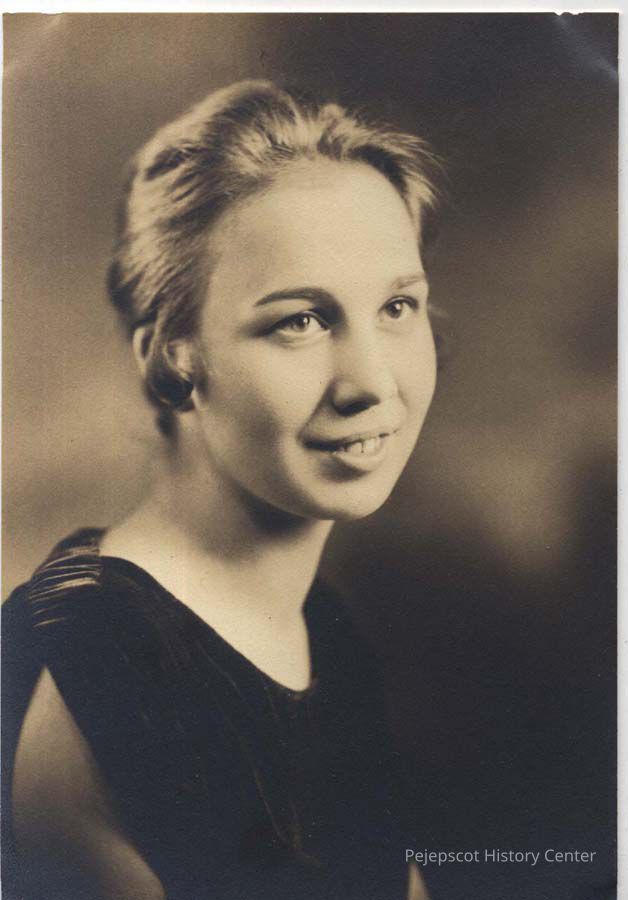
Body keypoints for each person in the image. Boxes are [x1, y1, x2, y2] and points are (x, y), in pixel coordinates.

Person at [2, 80, 441, 900]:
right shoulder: (97, 661)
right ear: (173, 355)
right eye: (299, 320)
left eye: (396, 306)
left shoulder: (329, 635)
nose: (373, 383)